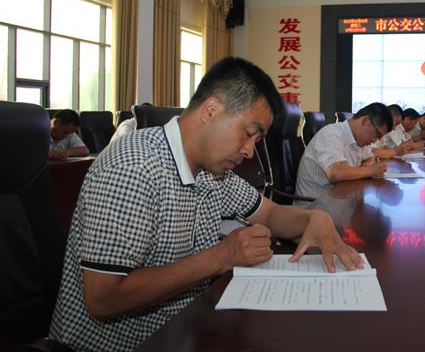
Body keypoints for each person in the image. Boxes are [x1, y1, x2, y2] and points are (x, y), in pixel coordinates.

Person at [49, 57, 363, 351]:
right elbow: (104, 299)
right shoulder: (134, 168)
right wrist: (221, 257)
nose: (249, 152)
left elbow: (270, 214)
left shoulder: (212, 171)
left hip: (186, 327)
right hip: (124, 344)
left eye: (256, 141)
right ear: (211, 110)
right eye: (248, 134)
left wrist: (313, 218)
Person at [295, 102, 392, 198]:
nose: (375, 141)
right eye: (377, 135)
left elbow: (370, 158)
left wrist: (364, 167)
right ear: (365, 121)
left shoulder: (360, 140)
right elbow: (335, 173)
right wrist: (369, 171)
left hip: (338, 199)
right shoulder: (331, 134)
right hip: (314, 204)